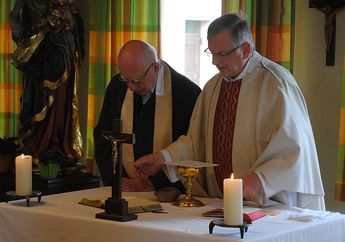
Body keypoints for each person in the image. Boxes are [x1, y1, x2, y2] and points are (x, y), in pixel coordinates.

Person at [135, 14, 325, 210]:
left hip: (269, 204)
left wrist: (258, 180)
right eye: (212, 53)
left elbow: (293, 148)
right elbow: (196, 142)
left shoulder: (276, 84)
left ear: (245, 49)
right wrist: (162, 158)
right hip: (221, 203)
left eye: (222, 54)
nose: (215, 62)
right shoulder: (213, 87)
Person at [94, 40, 201, 192]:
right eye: (126, 80)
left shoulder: (186, 93)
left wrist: (154, 183)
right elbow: (104, 137)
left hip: (166, 193)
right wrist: (117, 179)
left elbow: (191, 147)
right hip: (124, 189)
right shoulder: (117, 87)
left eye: (136, 81)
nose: (130, 88)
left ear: (155, 68)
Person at [10, 0, 85, 162]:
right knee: (37, 103)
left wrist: (68, 20)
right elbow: (16, 23)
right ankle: (37, 143)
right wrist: (33, 32)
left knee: (60, 105)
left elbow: (75, 29)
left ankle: (58, 144)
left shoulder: (65, 2)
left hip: (63, 57)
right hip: (38, 58)